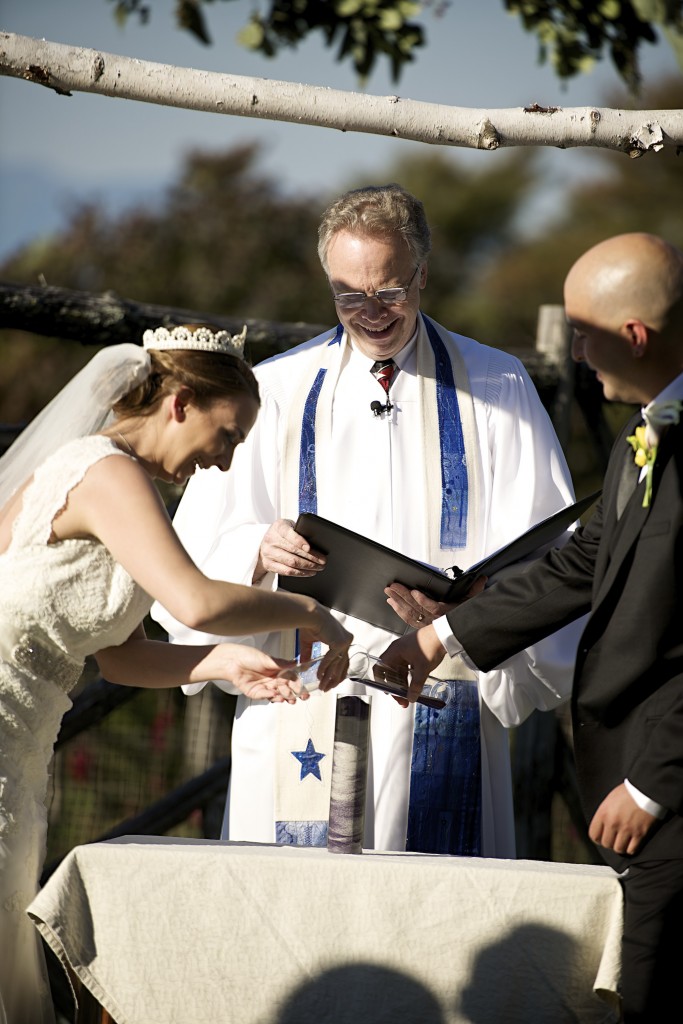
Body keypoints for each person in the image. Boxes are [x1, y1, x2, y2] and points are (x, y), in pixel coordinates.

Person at [153, 184, 581, 858]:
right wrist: (259, 550)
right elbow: (191, 559)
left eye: (389, 292)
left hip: (445, 687)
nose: (369, 313)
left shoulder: (497, 386)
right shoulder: (277, 388)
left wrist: (470, 605)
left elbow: (553, 559)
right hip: (304, 694)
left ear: (422, 274)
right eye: (347, 293)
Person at [0, 323, 351, 1024]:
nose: (222, 461)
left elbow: (121, 655)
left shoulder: (124, 486)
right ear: (181, 402)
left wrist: (223, 660)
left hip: (20, 750)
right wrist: (314, 612)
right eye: (226, 435)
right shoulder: (103, 471)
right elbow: (193, 599)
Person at [380, 232, 683, 1023]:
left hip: (664, 783)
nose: (577, 353)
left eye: (582, 333)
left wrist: (654, 786)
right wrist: (435, 639)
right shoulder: (645, 434)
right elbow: (576, 566)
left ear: (635, 336)